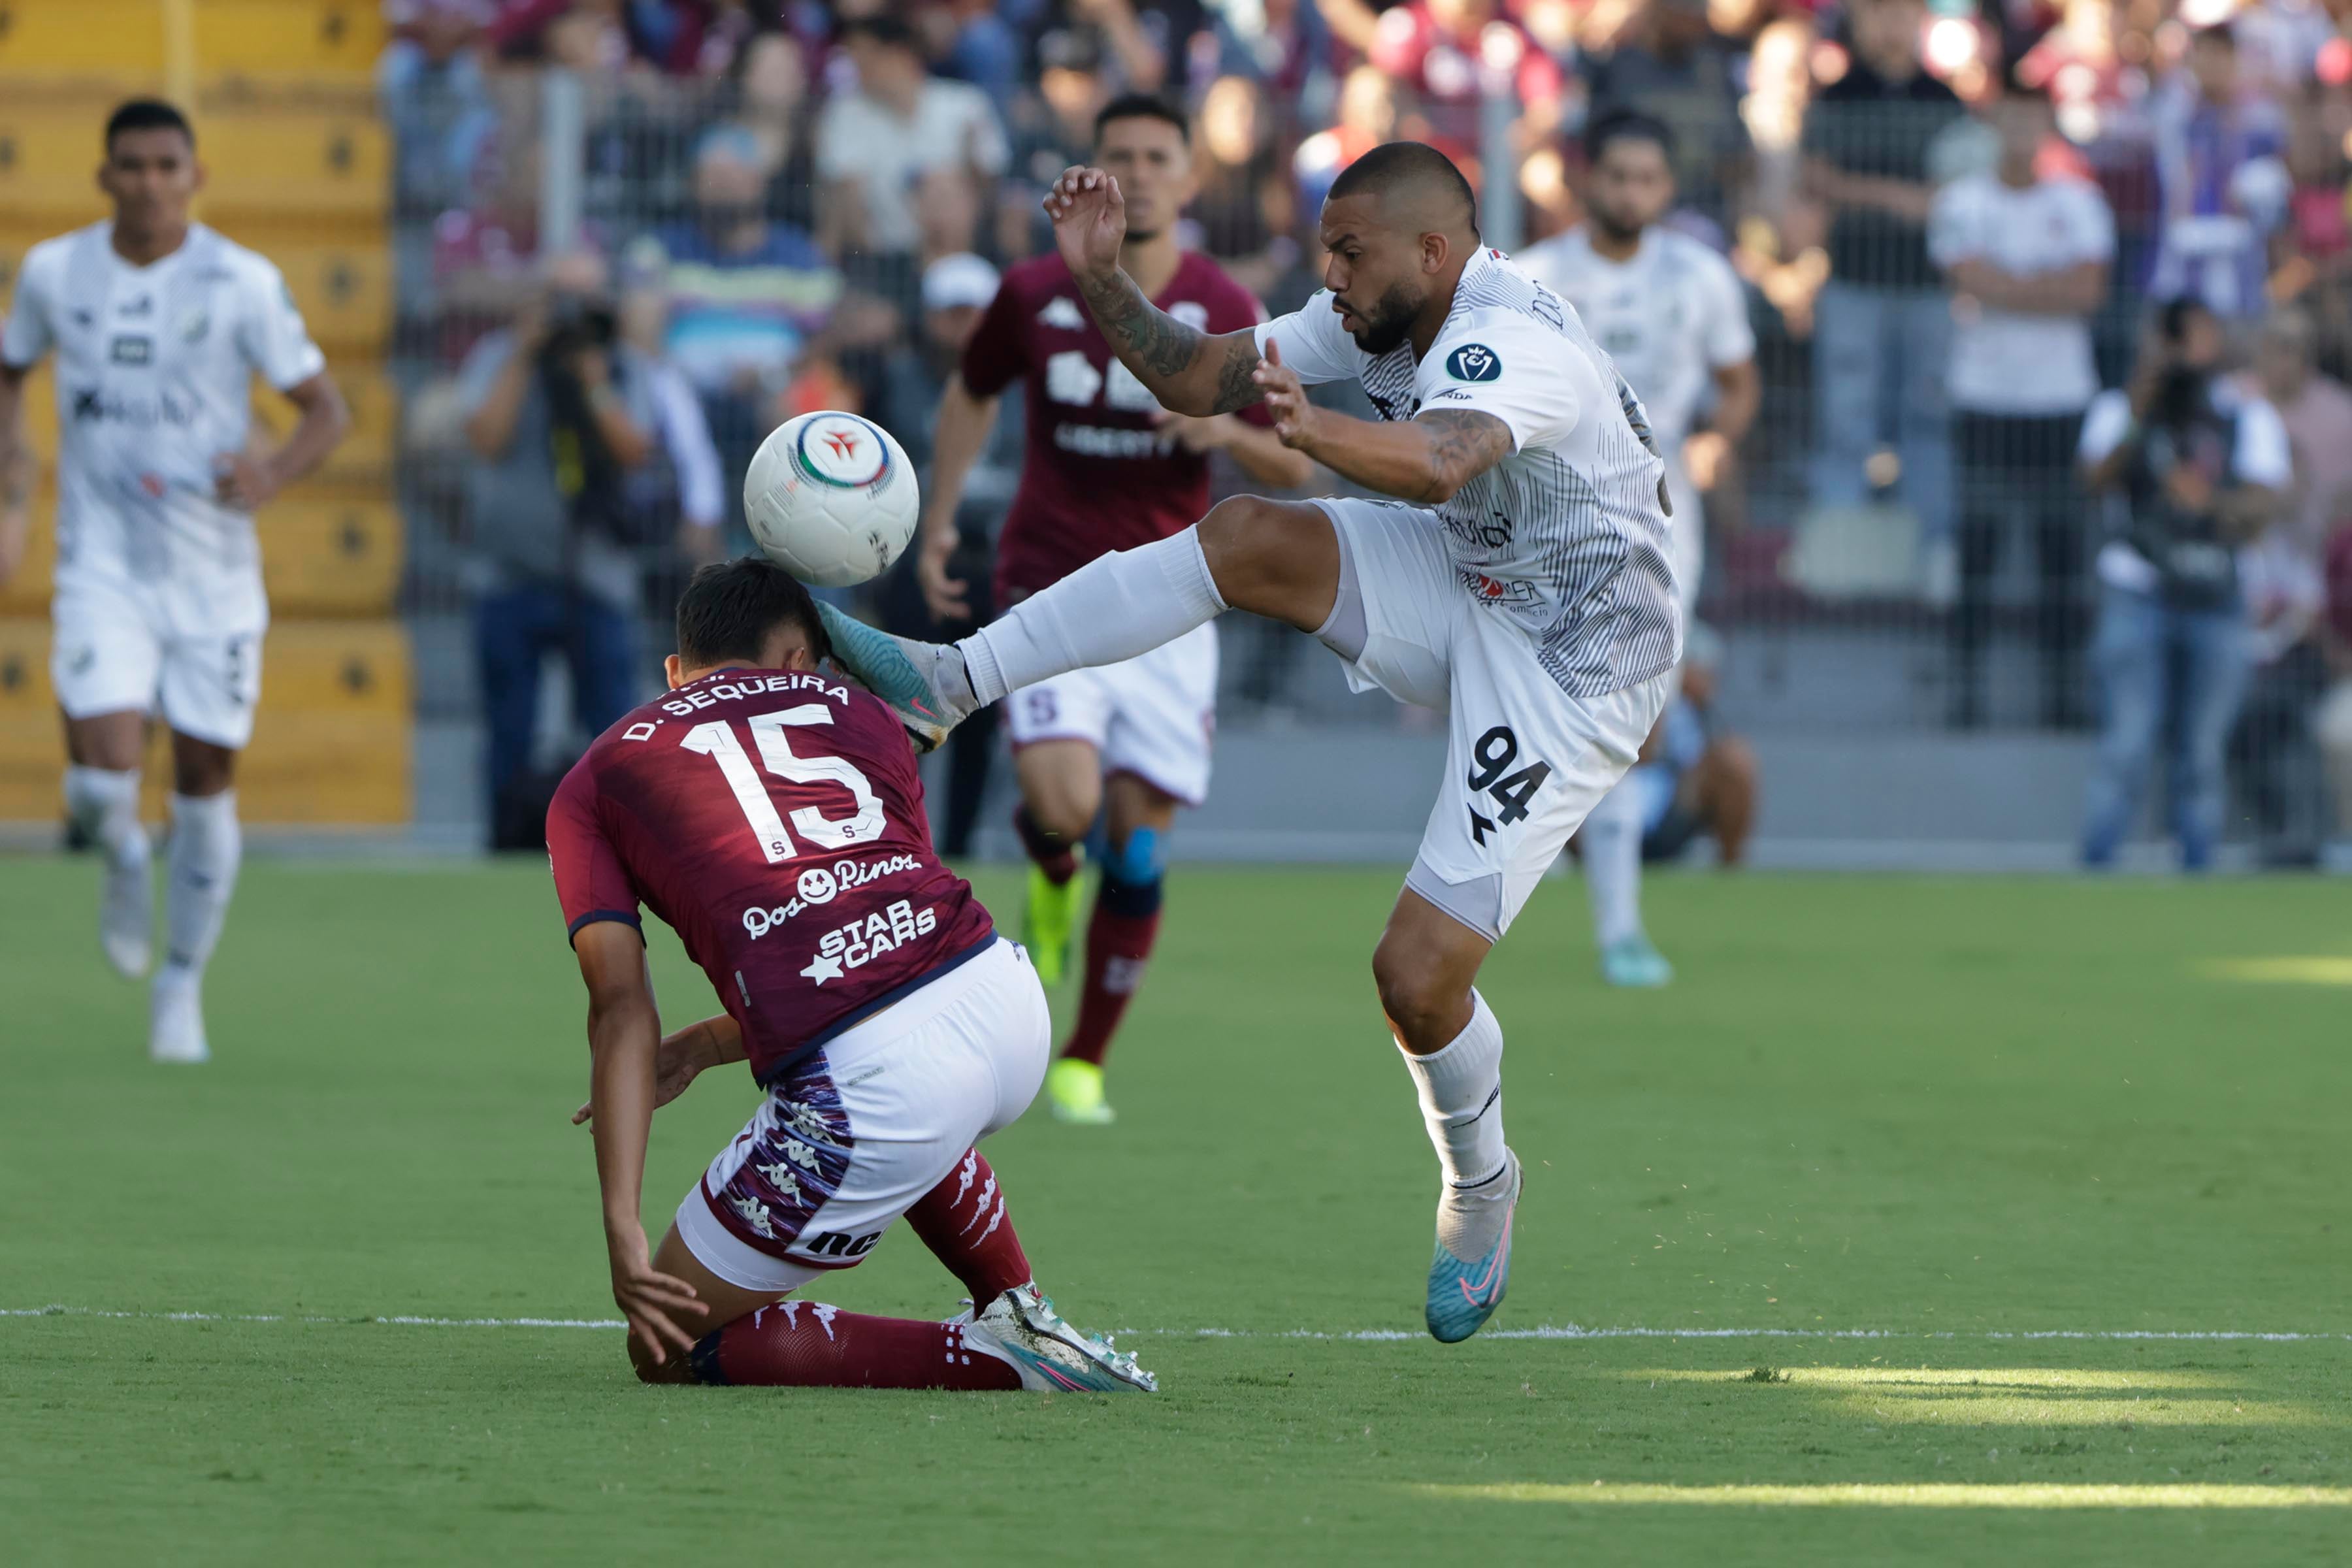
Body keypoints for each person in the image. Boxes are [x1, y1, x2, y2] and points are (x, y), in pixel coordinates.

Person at [821, 140, 1682, 1345]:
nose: (1325, 272)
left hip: (1577, 659)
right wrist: (1104, 279)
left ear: (1433, 253)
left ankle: (1482, 1183)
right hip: (1472, 577)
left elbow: (1439, 460)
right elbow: (1197, 376)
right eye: (1325, 246)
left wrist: (1311, 431)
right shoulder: (1377, 311)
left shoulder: (1510, 340)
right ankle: (952, 683)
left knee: (1416, 982)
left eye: (1348, 250)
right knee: (1247, 535)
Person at [547, 557, 1153, 1393]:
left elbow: (619, 1009)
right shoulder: (866, 711)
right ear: (804, 662)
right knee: (921, 1092)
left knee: (665, 1342)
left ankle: (990, 1358)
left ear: (674, 675)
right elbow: (874, 933)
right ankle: (1017, 1306)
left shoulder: (599, 774)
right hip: (1003, 999)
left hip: (873, 1090)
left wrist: (621, 1223)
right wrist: (713, 1046)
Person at [910, 95, 1311, 1127]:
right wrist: (941, 519)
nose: (1136, 172)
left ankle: (1084, 1060)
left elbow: (1303, 460)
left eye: (1155, 157)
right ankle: (1049, 882)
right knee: (1065, 805)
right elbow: (973, 391)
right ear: (1094, 173)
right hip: (1048, 579)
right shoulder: (1037, 290)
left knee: (1136, 847)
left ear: (1186, 178)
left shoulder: (1227, 306)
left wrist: (1225, 440)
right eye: (1117, 156)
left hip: (1175, 600)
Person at [0, 99, 351, 1064]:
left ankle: (180, 984)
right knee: (97, 782)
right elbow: (9, 368)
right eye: (131, 165)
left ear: (194, 176)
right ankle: (117, 851)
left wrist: (272, 474)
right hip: (101, 566)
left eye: (166, 165)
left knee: (204, 779)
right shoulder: (54, 272)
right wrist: (15, 488)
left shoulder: (240, 281)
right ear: (104, 176)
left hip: (213, 577)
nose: (149, 181)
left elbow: (326, 407)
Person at [1517, 108, 1757, 987]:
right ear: (1586, 181)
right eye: (1615, 177)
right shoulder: (1535, 280)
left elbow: (1738, 382)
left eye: (1646, 179)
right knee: (1553, 725)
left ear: (1666, 187)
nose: (1630, 193)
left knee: (1632, 727)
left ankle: (1619, 929)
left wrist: (1719, 439)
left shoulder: (1701, 277)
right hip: (1544, 524)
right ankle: (1501, 910)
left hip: (1661, 524)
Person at [457, 251, 723, 848]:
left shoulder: (623, 367)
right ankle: (504, 843)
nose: (573, 315)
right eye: (561, 300)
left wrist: (592, 381)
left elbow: (635, 451)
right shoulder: (502, 356)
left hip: (598, 574)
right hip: (508, 573)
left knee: (612, 729)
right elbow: (485, 437)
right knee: (507, 728)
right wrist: (528, 353)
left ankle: (613, 848)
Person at [2078, 298, 2289, 870]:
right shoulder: (2124, 407)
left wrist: (2210, 501)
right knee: (2127, 739)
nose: (2187, 350)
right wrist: (2142, 400)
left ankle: (2197, 865)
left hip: (2217, 593)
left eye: (2198, 336)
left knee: (2201, 748)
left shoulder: (2245, 412)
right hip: (2138, 586)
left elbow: (2269, 501)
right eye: (2176, 337)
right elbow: (2094, 478)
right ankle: (2096, 864)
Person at [1931, 84, 2115, 730]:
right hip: (1982, 400)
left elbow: (2088, 290)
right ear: (1992, 124)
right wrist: (2046, 284)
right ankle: (1966, 693)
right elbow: (1968, 276)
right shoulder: (1962, 200)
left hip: (2060, 403)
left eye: (2032, 118)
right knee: (1977, 551)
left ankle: (2062, 698)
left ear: (2048, 126)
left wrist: (2007, 283)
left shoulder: (2082, 202)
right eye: (2009, 117)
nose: (2020, 129)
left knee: (2060, 554)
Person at [1801, 0, 1965, 553]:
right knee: (1847, 418)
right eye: (1877, 11)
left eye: (1900, 12)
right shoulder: (1838, 95)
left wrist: (1911, 200)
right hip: (1854, 282)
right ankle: (1839, 545)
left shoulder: (1945, 100)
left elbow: (1961, 188)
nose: (1889, 24)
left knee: (1929, 417)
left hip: (1928, 287)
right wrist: (1894, 197)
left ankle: (1932, 544)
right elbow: (1815, 178)